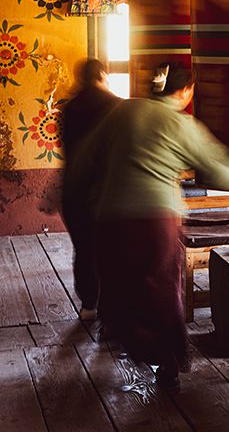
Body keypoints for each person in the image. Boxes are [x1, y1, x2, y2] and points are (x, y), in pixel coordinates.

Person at [64, 63, 229, 388]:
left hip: (110, 219)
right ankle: (168, 361)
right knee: (162, 289)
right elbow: (221, 169)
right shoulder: (179, 124)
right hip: (154, 222)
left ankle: (130, 340)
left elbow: (83, 160)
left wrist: (77, 199)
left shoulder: (121, 111)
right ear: (185, 91)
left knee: (117, 284)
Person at [60, 58, 121, 321]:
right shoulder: (115, 105)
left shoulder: (69, 108)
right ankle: (111, 305)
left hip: (74, 189)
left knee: (83, 248)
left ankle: (88, 304)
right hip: (106, 189)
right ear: (102, 75)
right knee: (110, 247)